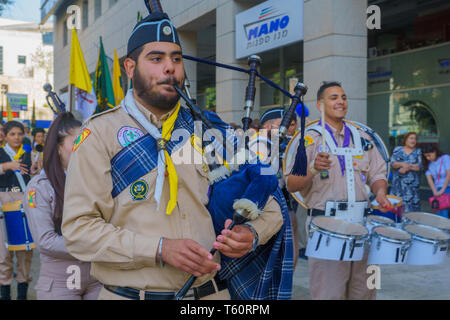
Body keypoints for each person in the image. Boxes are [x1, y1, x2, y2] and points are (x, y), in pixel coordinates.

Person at [61, 11, 284, 300]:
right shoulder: (99, 134)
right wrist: (159, 248)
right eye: (156, 59)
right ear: (130, 67)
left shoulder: (209, 130)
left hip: (209, 295)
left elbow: (271, 206)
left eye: (176, 59)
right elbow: (78, 231)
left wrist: (252, 235)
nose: (170, 68)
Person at [285, 81, 391, 300]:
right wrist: (313, 168)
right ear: (319, 105)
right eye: (333, 98)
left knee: (366, 291)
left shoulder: (363, 137)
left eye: (343, 97)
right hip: (327, 229)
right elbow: (292, 184)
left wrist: (380, 192)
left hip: (363, 226)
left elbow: (378, 173)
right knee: (329, 294)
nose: (340, 101)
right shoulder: (309, 138)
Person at [23, 112, 102, 300]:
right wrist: (96, 245)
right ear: (58, 147)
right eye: (77, 142)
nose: (85, 148)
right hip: (59, 283)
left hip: (98, 279)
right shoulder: (39, 187)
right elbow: (46, 241)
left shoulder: (97, 180)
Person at [0, 120, 37, 300]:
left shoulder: (29, 153)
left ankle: (22, 293)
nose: (17, 137)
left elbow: (35, 178)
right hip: (3, 204)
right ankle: (5, 292)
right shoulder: (0, 153)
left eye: (20, 133)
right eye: (12, 134)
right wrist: (7, 166)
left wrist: (37, 171)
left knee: (25, 251)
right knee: (3, 254)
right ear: (5, 136)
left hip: (24, 203)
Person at [390, 132, 422, 212]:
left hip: (412, 187)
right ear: (406, 139)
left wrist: (406, 167)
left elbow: (419, 166)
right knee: (396, 208)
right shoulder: (398, 149)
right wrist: (402, 164)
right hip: (398, 186)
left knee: (412, 211)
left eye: (415, 139)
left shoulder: (418, 151)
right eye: (411, 138)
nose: (413, 140)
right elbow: (393, 164)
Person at [423, 144, 450, 218]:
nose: (428, 158)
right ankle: (443, 228)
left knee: (445, 211)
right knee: (440, 210)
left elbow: (449, 175)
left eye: (429, 155)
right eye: (426, 156)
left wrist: (442, 190)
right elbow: (430, 180)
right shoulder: (428, 164)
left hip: (447, 187)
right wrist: (435, 191)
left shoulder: (445, 158)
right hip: (437, 189)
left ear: (434, 151)